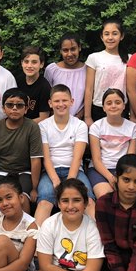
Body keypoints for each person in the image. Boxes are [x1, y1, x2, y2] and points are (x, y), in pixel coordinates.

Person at [34, 84, 95, 226]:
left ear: (72, 101)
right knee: (44, 202)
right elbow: (46, 158)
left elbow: (77, 157)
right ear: (50, 103)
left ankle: (95, 236)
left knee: (89, 201)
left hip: (75, 171)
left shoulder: (79, 125)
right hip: (50, 172)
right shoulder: (43, 126)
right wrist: (55, 180)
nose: (61, 104)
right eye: (56, 101)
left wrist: (69, 182)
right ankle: (35, 237)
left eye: (65, 100)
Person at [0, 88, 43, 214]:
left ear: (26, 109)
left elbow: (36, 159)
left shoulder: (32, 127)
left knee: (22, 198)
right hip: (2, 170)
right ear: (3, 108)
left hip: (24, 171)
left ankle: (24, 226)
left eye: (19, 105)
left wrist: (34, 188)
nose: (14, 108)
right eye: (10, 105)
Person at [87, 88, 136, 199]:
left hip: (124, 170)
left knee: (125, 197)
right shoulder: (96, 127)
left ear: (124, 105)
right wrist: (110, 177)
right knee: (106, 197)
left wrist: (121, 177)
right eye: (109, 103)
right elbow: (96, 160)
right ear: (103, 107)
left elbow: (130, 158)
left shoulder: (132, 127)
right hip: (100, 170)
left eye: (118, 102)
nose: (113, 106)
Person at [84, 19, 128, 127]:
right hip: (98, 108)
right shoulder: (94, 58)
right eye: (107, 34)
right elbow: (89, 89)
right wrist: (87, 116)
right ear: (101, 36)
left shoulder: (130, 59)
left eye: (115, 33)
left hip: (122, 109)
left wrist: (133, 115)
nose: (110, 37)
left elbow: (131, 90)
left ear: (122, 36)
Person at [44, 33, 87, 119]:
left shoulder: (87, 70)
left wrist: (81, 115)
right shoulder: (52, 70)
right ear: (60, 51)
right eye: (65, 50)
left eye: (73, 49)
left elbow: (90, 96)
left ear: (79, 48)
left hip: (79, 120)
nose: (69, 54)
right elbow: (46, 95)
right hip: (55, 119)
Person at [15, 46, 51, 122]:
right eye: (26, 61)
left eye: (34, 62)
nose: (29, 66)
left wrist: (21, 125)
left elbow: (44, 118)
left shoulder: (45, 87)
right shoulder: (17, 80)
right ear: (22, 63)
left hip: (35, 127)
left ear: (41, 64)